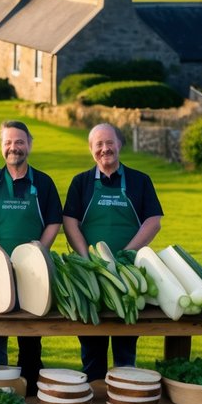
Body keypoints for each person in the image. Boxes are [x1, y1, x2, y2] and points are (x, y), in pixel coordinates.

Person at [63, 123, 164, 380]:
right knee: (92, 343)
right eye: (98, 144)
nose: (104, 149)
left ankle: (125, 386)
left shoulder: (140, 181)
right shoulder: (81, 183)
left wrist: (126, 254)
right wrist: (86, 257)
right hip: (91, 275)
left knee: (126, 341)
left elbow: (153, 221)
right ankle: (94, 390)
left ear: (120, 145)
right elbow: (70, 222)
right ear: (91, 149)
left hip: (129, 273)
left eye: (110, 143)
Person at [0, 120, 63, 393]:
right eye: (8, 142)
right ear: (2, 147)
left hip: (35, 273)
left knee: (31, 333)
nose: (14, 148)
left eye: (19, 142)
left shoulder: (43, 183)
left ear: (29, 145)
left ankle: (32, 388)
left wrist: (39, 254)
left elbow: (54, 222)